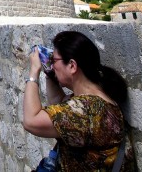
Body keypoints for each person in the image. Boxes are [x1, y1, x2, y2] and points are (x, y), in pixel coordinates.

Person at [21, 30, 133, 171]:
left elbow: (31, 121)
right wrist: (50, 72)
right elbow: (59, 102)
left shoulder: (85, 112)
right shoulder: (98, 98)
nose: (52, 63)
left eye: (54, 60)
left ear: (72, 66)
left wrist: (33, 72)